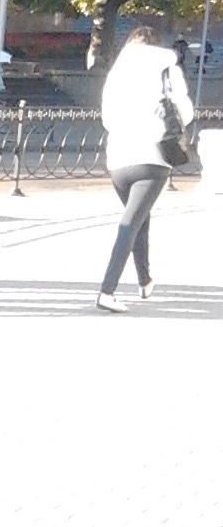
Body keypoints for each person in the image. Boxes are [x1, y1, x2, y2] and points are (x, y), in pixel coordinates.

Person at [97, 24, 195, 312]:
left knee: (138, 217)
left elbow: (106, 118)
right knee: (130, 223)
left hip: (118, 159)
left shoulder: (117, 72)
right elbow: (185, 112)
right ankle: (107, 291)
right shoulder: (167, 67)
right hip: (152, 156)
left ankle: (144, 280)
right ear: (156, 45)